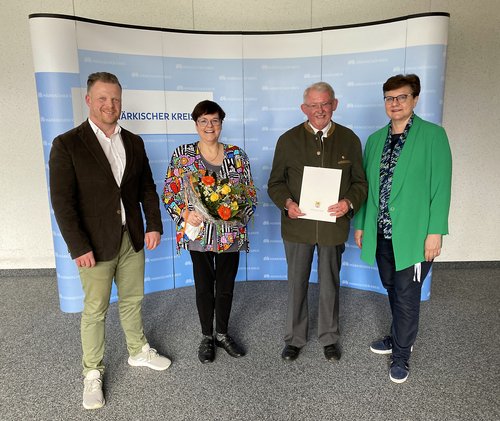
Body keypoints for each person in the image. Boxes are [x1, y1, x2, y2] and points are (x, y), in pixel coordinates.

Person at [49, 72, 171, 410]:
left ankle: (137, 351)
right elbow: (63, 201)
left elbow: (146, 187)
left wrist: (153, 224)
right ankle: (92, 372)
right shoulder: (67, 144)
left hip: (130, 237)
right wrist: (78, 246)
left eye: (115, 99)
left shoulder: (133, 141)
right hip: (93, 244)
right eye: (102, 98)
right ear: (88, 100)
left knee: (132, 299)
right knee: (95, 309)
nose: (110, 105)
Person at [354, 74, 452, 383]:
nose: (395, 103)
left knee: (408, 294)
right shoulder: (374, 140)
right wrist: (361, 225)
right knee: (392, 287)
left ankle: (401, 354)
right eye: (389, 98)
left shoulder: (433, 136)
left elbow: (442, 186)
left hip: (414, 235)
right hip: (381, 232)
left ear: (415, 99)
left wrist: (435, 231)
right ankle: (399, 335)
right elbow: (367, 189)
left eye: (402, 97)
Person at [268, 82, 367, 362]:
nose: (319, 110)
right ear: (304, 108)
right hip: (297, 227)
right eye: (313, 105)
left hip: (333, 227)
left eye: (325, 104)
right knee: (297, 283)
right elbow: (275, 183)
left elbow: (360, 183)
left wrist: (348, 202)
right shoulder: (287, 140)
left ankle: (329, 337)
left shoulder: (349, 139)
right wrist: (287, 203)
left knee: (329, 284)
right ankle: (295, 338)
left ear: (334, 104)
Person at [163, 100, 257, 364]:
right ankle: (206, 336)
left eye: (214, 120)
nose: (209, 126)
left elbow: (249, 194)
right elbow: (169, 193)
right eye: (203, 121)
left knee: (225, 287)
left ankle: (223, 334)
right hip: (199, 236)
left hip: (230, 234)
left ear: (221, 124)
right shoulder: (183, 156)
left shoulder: (237, 155)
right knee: (204, 287)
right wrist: (184, 213)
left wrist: (240, 217)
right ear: (195, 124)